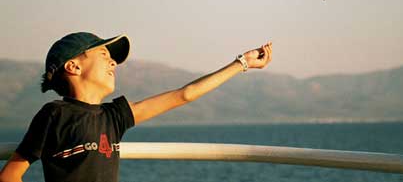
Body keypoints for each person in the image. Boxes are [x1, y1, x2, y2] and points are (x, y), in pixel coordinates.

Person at [0, 32, 272, 182]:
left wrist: (242, 64)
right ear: (73, 66)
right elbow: (11, 174)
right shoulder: (54, 115)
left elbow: (184, 95)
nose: (113, 63)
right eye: (104, 54)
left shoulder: (114, 116)